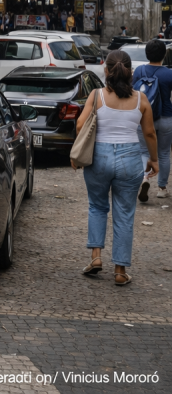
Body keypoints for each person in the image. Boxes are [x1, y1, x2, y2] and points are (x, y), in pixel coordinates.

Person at [75, 50, 159, 286]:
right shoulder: (141, 100)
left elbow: (81, 124)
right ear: (130, 72)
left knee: (97, 206)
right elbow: (149, 132)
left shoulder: (96, 95)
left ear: (106, 70)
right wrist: (154, 160)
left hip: (98, 157)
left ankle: (96, 257)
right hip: (130, 159)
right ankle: (120, 271)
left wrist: (76, 152)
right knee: (124, 213)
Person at [133, 39, 172, 200]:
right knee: (163, 153)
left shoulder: (139, 71)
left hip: (143, 118)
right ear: (164, 55)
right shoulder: (169, 73)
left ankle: (144, 178)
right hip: (165, 117)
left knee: (143, 151)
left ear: (146, 53)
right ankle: (162, 188)